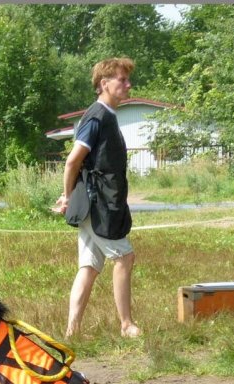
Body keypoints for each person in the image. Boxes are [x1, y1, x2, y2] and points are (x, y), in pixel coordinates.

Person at [54, 57, 141, 339]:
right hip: (98, 204)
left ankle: (72, 331)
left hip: (101, 201)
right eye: (122, 80)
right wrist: (68, 197)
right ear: (104, 84)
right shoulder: (97, 116)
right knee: (124, 257)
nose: (128, 85)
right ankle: (126, 325)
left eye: (128, 80)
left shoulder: (106, 115)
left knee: (89, 266)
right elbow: (72, 161)